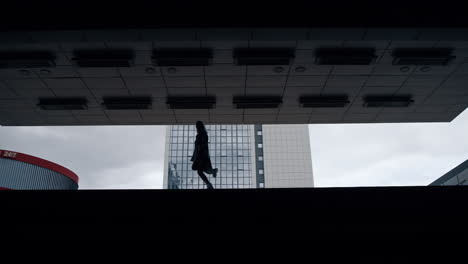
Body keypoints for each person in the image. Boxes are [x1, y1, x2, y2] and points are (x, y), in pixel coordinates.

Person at [191, 121, 218, 189]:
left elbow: (203, 144)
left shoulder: (203, 134)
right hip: (200, 154)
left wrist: (200, 150)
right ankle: (211, 174)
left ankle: (209, 183)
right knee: (200, 169)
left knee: (199, 170)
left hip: (201, 155)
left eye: (197, 126)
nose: (196, 128)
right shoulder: (201, 134)